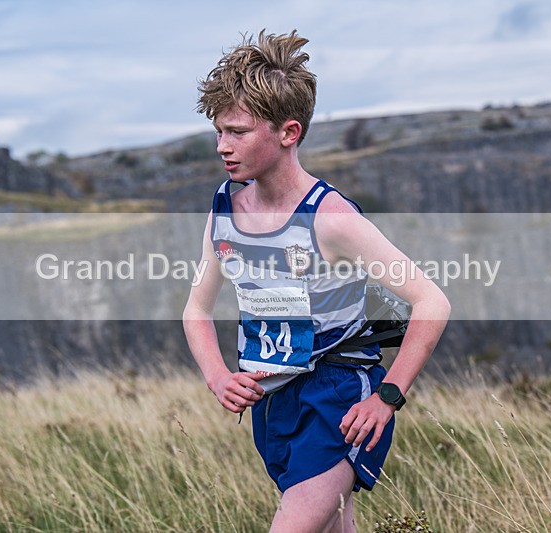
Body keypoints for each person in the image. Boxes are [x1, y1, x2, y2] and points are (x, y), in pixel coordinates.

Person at [183, 29, 450, 533]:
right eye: (218, 132)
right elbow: (197, 308)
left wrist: (387, 396)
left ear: (288, 132)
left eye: (237, 132)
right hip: (272, 401)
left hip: (338, 398)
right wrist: (219, 376)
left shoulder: (332, 219)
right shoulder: (224, 206)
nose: (222, 146)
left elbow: (432, 301)